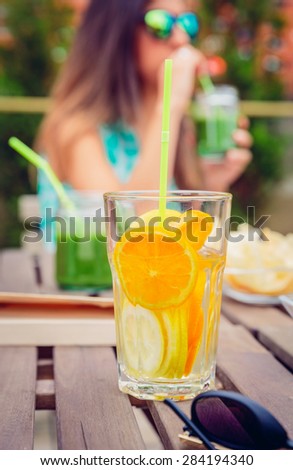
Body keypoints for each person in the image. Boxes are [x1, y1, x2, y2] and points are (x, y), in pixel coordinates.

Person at [36, 0, 252, 205]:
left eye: (188, 23)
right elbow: (128, 230)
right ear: (117, 32)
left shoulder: (176, 126)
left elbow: (179, 235)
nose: (181, 39)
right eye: (161, 23)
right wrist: (170, 104)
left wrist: (212, 182)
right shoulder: (75, 128)